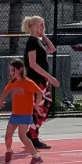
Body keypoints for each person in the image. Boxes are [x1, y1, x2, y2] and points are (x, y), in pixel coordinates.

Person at [20, 13, 58, 151]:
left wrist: (44, 35)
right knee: (40, 108)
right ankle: (33, 136)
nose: (43, 27)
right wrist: (51, 77)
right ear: (34, 26)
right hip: (36, 80)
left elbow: (52, 49)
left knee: (44, 106)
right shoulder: (31, 42)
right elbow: (33, 64)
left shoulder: (37, 41)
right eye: (41, 25)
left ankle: (32, 133)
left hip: (41, 80)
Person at [0, 57, 44, 164]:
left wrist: (36, 105)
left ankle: (36, 157)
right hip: (15, 113)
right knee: (7, 136)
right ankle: (9, 151)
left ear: (19, 70)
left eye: (12, 70)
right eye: (9, 70)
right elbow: (6, 90)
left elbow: (39, 92)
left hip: (25, 114)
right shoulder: (13, 82)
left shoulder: (28, 82)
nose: (10, 72)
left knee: (22, 136)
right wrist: (0, 101)